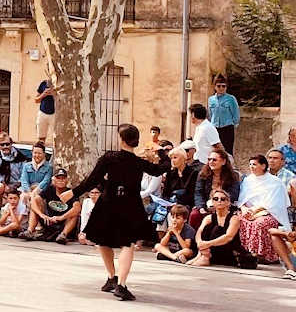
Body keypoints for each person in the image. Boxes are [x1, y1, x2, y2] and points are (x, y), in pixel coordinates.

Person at [59, 123, 168, 301]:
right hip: (130, 204)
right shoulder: (139, 162)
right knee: (127, 244)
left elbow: (92, 180)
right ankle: (119, 283)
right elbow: (161, 169)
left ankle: (114, 279)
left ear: (121, 139)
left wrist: (73, 193)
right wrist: (161, 151)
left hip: (108, 203)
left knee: (104, 241)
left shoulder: (109, 158)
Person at [236, 154, 290, 264]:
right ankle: (244, 253)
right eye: (250, 164)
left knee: (259, 223)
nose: (251, 167)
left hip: (268, 213)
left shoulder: (275, 182)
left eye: (254, 164)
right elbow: (242, 199)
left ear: (263, 166)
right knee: (237, 220)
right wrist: (244, 209)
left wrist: (256, 211)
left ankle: (262, 254)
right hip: (248, 211)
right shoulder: (247, 180)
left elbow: (273, 203)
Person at [188, 188, 253, 268]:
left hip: (228, 251)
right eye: (216, 199)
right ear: (212, 202)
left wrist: (207, 244)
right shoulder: (209, 217)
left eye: (222, 199)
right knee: (206, 228)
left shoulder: (234, 218)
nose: (219, 201)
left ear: (228, 202)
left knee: (218, 229)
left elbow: (228, 237)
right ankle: (201, 255)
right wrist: (199, 243)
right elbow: (199, 231)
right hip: (211, 250)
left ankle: (205, 257)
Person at [23, 168, 81, 243]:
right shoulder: (49, 190)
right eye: (58, 178)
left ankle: (63, 235)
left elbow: (77, 208)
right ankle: (30, 231)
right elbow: (34, 201)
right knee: (35, 205)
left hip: (64, 223)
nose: (61, 180)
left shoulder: (70, 192)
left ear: (67, 180)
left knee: (74, 214)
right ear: (54, 180)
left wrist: (60, 218)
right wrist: (42, 215)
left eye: (63, 178)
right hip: (49, 221)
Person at [192, 147, 240, 226]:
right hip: (206, 206)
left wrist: (218, 204)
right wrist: (201, 207)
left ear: (224, 161)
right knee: (195, 215)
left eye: (214, 160)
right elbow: (198, 193)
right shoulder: (203, 174)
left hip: (225, 206)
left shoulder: (233, 176)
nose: (211, 162)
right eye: (209, 159)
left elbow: (234, 194)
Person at [207, 75, 239, 154]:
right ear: (215, 87)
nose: (221, 88)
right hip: (215, 128)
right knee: (215, 150)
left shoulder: (231, 99)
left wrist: (233, 124)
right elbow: (210, 114)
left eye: (223, 86)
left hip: (227, 128)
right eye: (219, 86)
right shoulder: (211, 99)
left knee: (227, 150)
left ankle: (228, 165)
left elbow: (236, 114)